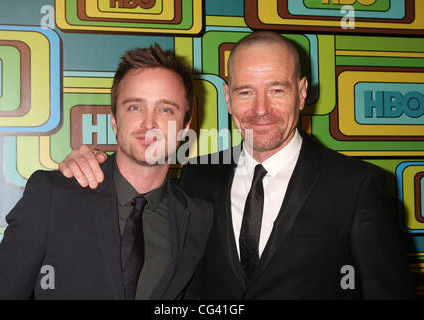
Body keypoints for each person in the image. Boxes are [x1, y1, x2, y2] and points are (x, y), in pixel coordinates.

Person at [57, 31, 417, 299]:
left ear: (303, 91)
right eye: (246, 92)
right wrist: (91, 165)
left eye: (277, 90)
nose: (260, 109)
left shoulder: (357, 185)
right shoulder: (196, 176)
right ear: (228, 97)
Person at [0, 44, 213, 300]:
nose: (149, 123)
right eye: (135, 107)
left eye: (165, 109)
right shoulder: (52, 195)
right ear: (114, 120)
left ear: (185, 127)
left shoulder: (197, 218)